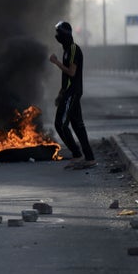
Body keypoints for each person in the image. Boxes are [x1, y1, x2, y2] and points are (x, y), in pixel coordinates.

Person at [49, 21, 96, 170]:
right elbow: (66, 78)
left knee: (60, 124)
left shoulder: (74, 49)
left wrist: (56, 62)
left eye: (59, 33)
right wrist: (60, 94)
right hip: (68, 92)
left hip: (73, 92)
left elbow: (71, 72)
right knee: (77, 125)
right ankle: (89, 158)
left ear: (65, 35)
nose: (57, 36)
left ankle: (77, 154)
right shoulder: (67, 50)